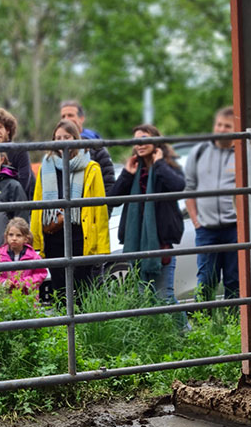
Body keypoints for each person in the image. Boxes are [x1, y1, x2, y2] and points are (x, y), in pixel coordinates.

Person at [30, 119, 109, 300]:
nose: (62, 141)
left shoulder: (91, 168)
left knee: (83, 290)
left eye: (67, 137)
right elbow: (37, 204)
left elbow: (100, 209)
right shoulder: (46, 166)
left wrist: (102, 247)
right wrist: (35, 240)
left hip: (80, 237)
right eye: (58, 138)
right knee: (59, 291)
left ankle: (82, 327)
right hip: (53, 237)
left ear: (76, 138)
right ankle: (63, 327)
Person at [112, 124, 185, 305]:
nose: (140, 144)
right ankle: (158, 333)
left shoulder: (167, 166)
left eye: (144, 139)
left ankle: (184, 332)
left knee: (164, 296)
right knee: (144, 298)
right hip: (136, 244)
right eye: (137, 141)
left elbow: (178, 186)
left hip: (161, 243)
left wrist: (159, 164)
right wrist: (127, 174)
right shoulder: (134, 170)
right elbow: (113, 199)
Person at [185, 106, 239, 301]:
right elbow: (189, 189)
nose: (221, 129)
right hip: (206, 230)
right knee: (206, 280)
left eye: (227, 126)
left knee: (235, 280)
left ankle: (235, 326)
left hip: (235, 229)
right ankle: (206, 324)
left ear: (235, 128)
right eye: (219, 125)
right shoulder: (199, 151)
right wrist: (196, 221)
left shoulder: (241, 153)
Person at [59, 99, 116, 195]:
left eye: (70, 115)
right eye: (63, 116)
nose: (66, 119)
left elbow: (108, 181)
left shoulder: (96, 146)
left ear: (82, 118)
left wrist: (105, 208)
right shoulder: (56, 148)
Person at [0, 217, 49, 295]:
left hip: (27, 298)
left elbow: (41, 273)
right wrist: (3, 282)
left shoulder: (33, 256)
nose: (14, 238)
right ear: (6, 236)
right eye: (11, 235)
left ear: (26, 238)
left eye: (18, 235)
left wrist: (25, 283)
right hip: (5, 299)